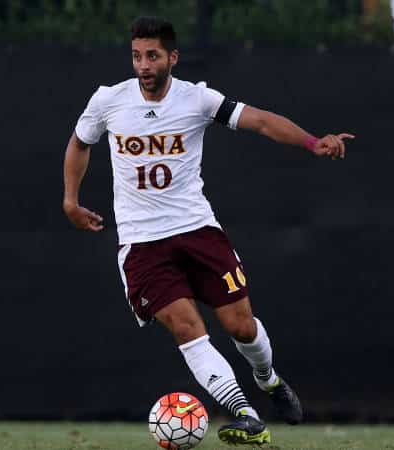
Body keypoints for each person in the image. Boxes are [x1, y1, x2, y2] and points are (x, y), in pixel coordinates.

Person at [63, 16, 353, 446]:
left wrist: (313, 142)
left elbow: (260, 122)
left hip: (197, 231)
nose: (143, 65)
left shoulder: (196, 100)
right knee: (185, 326)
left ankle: (268, 379)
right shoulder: (109, 100)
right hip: (142, 244)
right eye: (137, 56)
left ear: (172, 58)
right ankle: (246, 414)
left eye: (153, 56)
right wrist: (71, 200)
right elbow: (80, 142)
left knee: (241, 327)